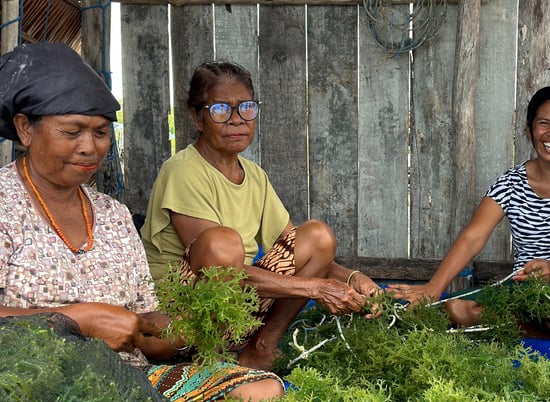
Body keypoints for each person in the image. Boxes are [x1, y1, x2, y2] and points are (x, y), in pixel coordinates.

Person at [0, 42, 284, 402]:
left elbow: (146, 332)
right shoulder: (6, 204)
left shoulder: (114, 216)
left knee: (259, 390)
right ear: (25, 129)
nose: (89, 147)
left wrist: (178, 334)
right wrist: (78, 319)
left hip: (127, 382)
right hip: (30, 385)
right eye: (72, 132)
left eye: (101, 133)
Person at [140, 60, 381, 371]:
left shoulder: (254, 176)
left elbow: (303, 251)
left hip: (234, 310)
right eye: (220, 110)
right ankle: (207, 359)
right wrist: (315, 289)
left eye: (246, 108)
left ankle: (261, 348)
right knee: (222, 243)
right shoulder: (182, 171)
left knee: (318, 237)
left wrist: (352, 279)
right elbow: (217, 270)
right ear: (196, 118)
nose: (237, 120)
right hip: (181, 315)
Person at [390, 84, 550, 336]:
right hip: (526, 288)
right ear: (529, 129)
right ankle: (549, 328)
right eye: (544, 123)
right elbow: (472, 238)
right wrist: (433, 288)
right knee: (457, 308)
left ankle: (548, 323)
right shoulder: (510, 182)